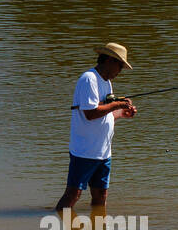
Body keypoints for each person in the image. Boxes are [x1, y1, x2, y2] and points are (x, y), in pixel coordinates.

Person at [55, 43, 137, 211]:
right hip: (85, 151)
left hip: (103, 152)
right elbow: (90, 114)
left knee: (101, 195)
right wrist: (116, 104)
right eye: (120, 66)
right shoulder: (89, 79)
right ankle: (58, 221)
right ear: (109, 60)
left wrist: (121, 113)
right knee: (73, 194)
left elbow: (105, 114)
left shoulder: (106, 83)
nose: (120, 71)